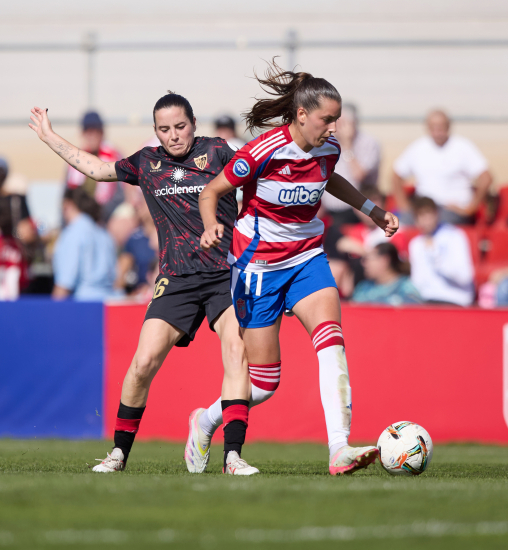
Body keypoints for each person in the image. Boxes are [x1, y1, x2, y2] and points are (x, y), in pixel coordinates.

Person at [29, 93, 276, 476]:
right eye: (164, 129)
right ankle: (118, 454)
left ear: (193, 123)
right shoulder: (147, 162)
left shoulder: (219, 152)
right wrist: (49, 137)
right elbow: (97, 169)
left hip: (224, 274)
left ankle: (233, 456)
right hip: (175, 279)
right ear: (155, 131)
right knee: (142, 363)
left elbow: (261, 174)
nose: (174, 135)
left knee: (235, 351)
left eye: (180, 126)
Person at [199, 62, 400, 475]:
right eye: (328, 119)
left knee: (332, 341)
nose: (334, 128)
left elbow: (330, 179)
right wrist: (210, 226)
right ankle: (204, 420)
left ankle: (339, 448)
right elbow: (212, 190)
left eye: (337, 120)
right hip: (259, 267)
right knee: (264, 385)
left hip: (308, 257)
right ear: (302, 115)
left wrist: (373, 211)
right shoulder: (262, 151)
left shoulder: (329, 149)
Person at [391, 109, 492, 225]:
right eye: (433, 127)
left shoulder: (463, 147)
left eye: (441, 127)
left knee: (438, 224)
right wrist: (404, 206)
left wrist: (470, 208)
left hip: (452, 211)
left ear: (449, 126)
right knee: (399, 223)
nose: (437, 131)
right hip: (424, 209)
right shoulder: (418, 148)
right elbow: (396, 176)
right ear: (427, 127)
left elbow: (486, 178)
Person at [51, 187, 117, 301]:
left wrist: (49, 314)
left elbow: (64, 284)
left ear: (67, 205)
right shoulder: (103, 233)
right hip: (108, 304)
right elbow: (116, 278)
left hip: (83, 305)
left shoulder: (73, 233)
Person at [321, 103, 381, 226]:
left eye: (342, 123)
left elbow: (359, 175)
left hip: (357, 210)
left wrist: (347, 146)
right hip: (329, 211)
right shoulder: (326, 142)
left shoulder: (368, 143)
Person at [408, 196, 475, 306]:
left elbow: (465, 277)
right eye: (420, 216)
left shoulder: (455, 236)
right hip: (426, 301)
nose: (425, 221)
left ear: (437, 214)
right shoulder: (416, 244)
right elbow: (417, 281)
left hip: (454, 300)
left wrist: (436, 255)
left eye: (428, 215)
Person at [65, 111, 124, 221]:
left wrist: (99, 214)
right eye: (88, 131)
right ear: (83, 134)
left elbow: (120, 195)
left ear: (102, 133)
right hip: (79, 217)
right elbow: (67, 196)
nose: (92, 136)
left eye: (96, 131)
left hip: (106, 217)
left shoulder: (115, 157)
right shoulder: (74, 158)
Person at [352, 243, 421, 305]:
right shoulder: (363, 288)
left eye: (367, 259)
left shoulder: (406, 290)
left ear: (384, 260)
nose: (363, 263)